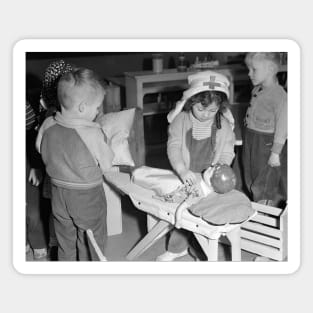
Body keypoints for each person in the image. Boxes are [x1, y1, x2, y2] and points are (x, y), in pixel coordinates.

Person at [156, 70, 236, 261]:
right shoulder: (181, 121)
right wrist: (182, 169)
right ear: (191, 101)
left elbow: (227, 151)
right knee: (181, 211)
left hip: (210, 180)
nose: (206, 115)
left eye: (212, 111)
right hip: (187, 174)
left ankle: (202, 252)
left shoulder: (222, 125)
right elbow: (174, 147)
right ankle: (177, 248)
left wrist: (220, 167)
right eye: (201, 109)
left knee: (205, 217)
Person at [36, 67, 114, 261]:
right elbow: (107, 163)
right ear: (82, 107)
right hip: (86, 196)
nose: (98, 112)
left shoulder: (48, 124)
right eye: (97, 107)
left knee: (65, 239)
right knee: (91, 239)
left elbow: (39, 147)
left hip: (58, 193)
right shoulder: (93, 132)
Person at [39, 60, 75, 258]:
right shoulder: (53, 115)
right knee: (59, 214)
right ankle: (57, 247)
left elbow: (39, 147)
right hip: (62, 177)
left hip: (58, 176)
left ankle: (58, 247)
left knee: (59, 213)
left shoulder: (48, 114)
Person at [242, 52, 287, 207]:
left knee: (265, 181)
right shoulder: (256, 90)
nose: (249, 73)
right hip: (251, 138)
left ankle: (264, 213)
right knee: (250, 175)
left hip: (266, 143)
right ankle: (257, 205)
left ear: (271, 69)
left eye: (253, 69)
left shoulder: (279, 95)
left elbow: (283, 126)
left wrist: (275, 153)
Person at [26, 100, 48, 260]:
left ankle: (38, 241)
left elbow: (30, 134)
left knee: (33, 209)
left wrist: (35, 165)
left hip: (26, 160)